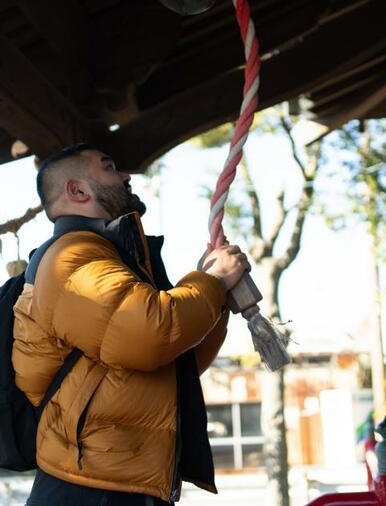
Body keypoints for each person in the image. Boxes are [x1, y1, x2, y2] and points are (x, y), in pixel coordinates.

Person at [13, 144, 250, 505]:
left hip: (118, 481)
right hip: (89, 487)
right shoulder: (71, 257)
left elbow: (174, 367)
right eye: (110, 167)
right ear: (78, 191)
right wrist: (212, 284)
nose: (126, 176)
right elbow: (149, 336)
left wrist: (213, 298)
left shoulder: (113, 260)